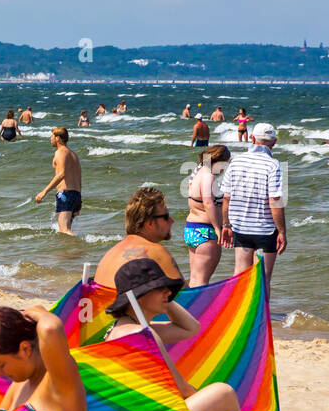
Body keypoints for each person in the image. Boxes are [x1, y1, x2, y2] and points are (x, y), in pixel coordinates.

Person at [102, 259, 242, 411]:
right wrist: (213, 409)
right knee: (223, 393)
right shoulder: (142, 335)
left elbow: (190, 328)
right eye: (160, 288)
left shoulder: (124, 329)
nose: (168, 292)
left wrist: (164, 299)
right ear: (139, 296)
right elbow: (180, 389)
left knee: (214, 399)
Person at [221, 122, 284, 292]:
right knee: (262, 281)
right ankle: (261, 318)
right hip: (264, 230)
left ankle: (238, 316)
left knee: (239, 276)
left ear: (251, 138)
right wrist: (282, 231)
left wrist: (225, 225)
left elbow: (226, 197)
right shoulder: (273, 165)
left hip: (240, 227)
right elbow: (275, 200)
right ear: (274, 142)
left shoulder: (236, 161)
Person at [94, 187, 182, 287]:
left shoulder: (110, 253)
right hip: (126, 302)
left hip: (103, 302)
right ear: (150, 223)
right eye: (166, 217)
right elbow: (185, 297)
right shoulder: (156, 251)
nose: (172, 221)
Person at [184, 145, 229, 286]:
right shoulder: (208, 177)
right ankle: (198, 308)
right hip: (205, 232)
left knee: (195, 278)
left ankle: (188, 307)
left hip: (191, 229)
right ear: (218, 160)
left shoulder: (197, 173)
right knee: (201, 280)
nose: (223, 169)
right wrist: (218, 228)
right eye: (224, 164)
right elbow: (208, 203)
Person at [34, 127, 83, 235]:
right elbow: (79, 178)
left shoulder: (60, 152)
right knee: (66, 229)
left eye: (52, 136)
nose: (50, 139)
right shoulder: (74, 155)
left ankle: (82, 246)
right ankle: (73, 251)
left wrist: (44, 192)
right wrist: (79, 199)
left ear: (58, 138)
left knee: (64, 230)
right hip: (76, 195)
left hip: (65, 194)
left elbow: (61, 174)